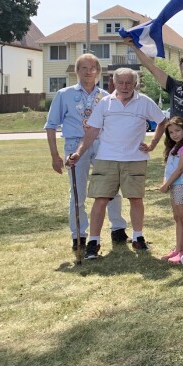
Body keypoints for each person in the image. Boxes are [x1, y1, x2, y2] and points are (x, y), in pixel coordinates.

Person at [66, 68, 167, 258]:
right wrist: (79, 153)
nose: (125, 86)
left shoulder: (144, 102)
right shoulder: (105, 103)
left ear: (135, 84)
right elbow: (92, 131)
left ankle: (138, 237)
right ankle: (93, 242)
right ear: (114, 83)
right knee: (101, 199)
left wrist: (153, 143)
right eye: (121, 82)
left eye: (129, 82)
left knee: (135, 199)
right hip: (106, 159)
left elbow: (162, 121)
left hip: (135, 159)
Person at [45, 53, 128, 252]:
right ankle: (79, 235)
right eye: (84, 68)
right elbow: (50, 125)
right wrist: (55, 155)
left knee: (111, 188)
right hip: (75, 146)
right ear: (77, 71)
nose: (89, 72)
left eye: (93, 68)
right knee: (77, 193)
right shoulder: (64, 94)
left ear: (98, 72)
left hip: (102, 145)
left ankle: (118, 228)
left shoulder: (106, 97)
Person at [125, 37, 183, 197]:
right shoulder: (173, 86)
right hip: (177, 151)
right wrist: (134, 47)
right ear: (181, 71)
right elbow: (150, 66)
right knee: (179, 199)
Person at [159, 116, 183, 263]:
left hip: (181, 185)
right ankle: (178, 248)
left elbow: (179, 170)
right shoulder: (174, 147)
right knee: (177, 217)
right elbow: (169, 169)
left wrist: (167, 184)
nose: (174, 134)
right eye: (171, 132)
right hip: (174, 186)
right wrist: (165, 183)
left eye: (177, 130)